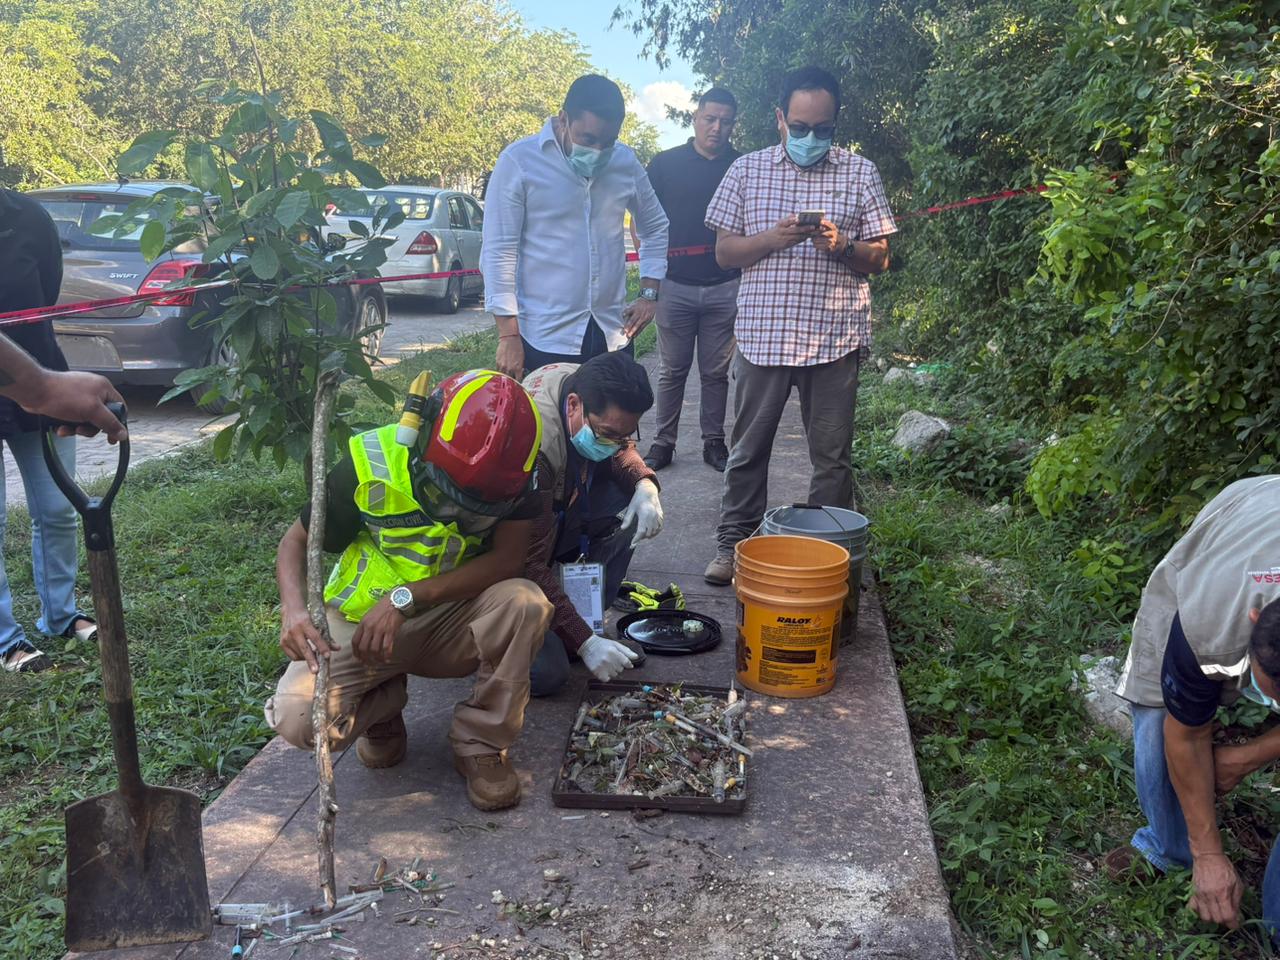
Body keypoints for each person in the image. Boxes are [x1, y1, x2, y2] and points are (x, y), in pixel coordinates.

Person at [265, 370, 554, 811]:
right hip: (360, 622)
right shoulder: (368, 461)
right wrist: (293, 610)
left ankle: (481, 741)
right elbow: (295, 542)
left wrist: (408, 598)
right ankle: (384, 704)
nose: (455, 513)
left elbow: (508, 561)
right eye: (445, 495)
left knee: (526, 603)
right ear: (418, 440)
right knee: (300, 719)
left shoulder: (522, 477)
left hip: (447, 620)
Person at [700, 67, 897, 585]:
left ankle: (826, 558)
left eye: (824, 129)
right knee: (746, 453)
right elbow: (723, 253)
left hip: (834, 340)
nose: (812, 138)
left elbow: (880, 258)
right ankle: (734, 546)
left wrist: (844, 247)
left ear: (836, 125)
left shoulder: (860, 173)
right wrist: (773, 239)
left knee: (832, 460)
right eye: (801, 126)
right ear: (780, 119)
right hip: (763, 339)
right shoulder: (745, 170)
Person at [1109, 475, 1280, 941]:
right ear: (1253, 622)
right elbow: (1185, 734)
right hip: (1244, 517)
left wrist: (1248, 756)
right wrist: (1209, 854)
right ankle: (1170, 852)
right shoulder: (1210, 616)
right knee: (1158, 713)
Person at [0, 189, 122, 674]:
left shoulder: (27, 217)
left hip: (41, 376)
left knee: (58, 509)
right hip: (35, 383)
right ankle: (6, 640)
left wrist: (39, 382)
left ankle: (61, 615)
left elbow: (44, 292)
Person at [482, 74, 670, 379]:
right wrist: (508, 336)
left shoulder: (624, 162)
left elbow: (656, 226)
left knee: (613, 427)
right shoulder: (519, 162)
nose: (598, 151)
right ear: (564, 119)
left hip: (613, 335)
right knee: (548, 427)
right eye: (588, 139)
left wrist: (649, 295)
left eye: (608, 142)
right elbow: (499, 250)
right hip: (544, 337)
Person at [521, 353, 663, 696]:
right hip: (502, 562)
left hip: (552, 515)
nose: (615, 442)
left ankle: (586, 616)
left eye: (624, 434)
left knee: (630, 503)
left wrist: (645, 484)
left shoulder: (583, 381)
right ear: (574, 406)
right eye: (606, 433)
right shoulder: (535, 449)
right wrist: (584, 643)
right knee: (546, 675)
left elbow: (620, 445)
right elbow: (526, 563)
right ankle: (483, 642)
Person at [637, 87, 741, 474]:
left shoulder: (743, 166)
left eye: (725, 121)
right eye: (710, 118)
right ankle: (663, 443)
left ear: (733, 124)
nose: (717, 127)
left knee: (715, 373)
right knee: (672, 370)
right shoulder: (664, 164)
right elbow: (644, 224)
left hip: (725, 287)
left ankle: (714, 443)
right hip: (674, 287)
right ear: (695, 117)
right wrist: (651, 283)